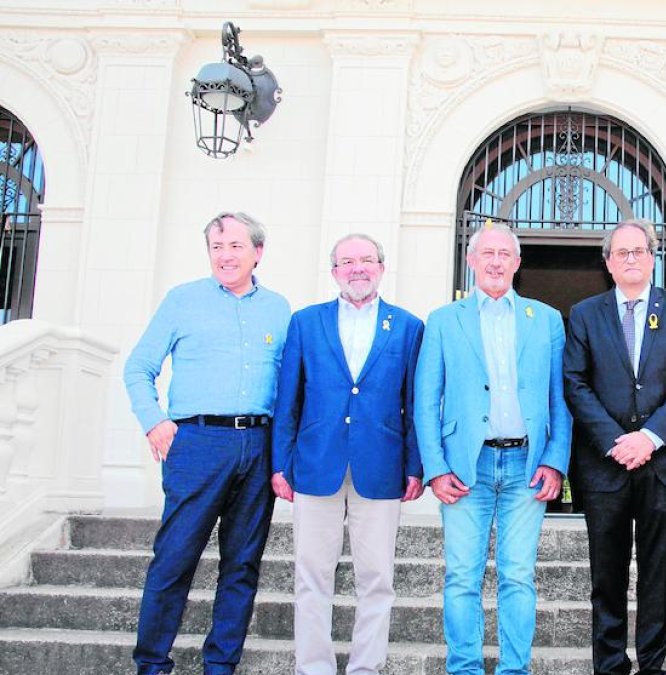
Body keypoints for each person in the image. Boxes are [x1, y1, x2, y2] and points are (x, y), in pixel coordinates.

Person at [124, 212, 292, 675]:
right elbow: (138, 368)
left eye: (235, 246)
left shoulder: (278, 309)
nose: (225, 256)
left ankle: (221, 665)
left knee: (242, 566)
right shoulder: (183, 301)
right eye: (217, 247)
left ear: (258, 252)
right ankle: (152, 663)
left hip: (258, 446)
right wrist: (154, 420)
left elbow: (287, 383)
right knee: (174, 560)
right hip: (197, 444)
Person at [414, 222, 571, 675]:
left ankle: (513, 669)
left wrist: (555, 461)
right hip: (466, 464)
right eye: (488, 253)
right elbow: (427, 401)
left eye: (506, 254)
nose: (497, 262)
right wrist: (435, 467)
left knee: (518, 576)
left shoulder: (546, 320)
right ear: (472, 260)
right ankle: (463, 668)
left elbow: (559, 400)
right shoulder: (444, 320)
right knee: (462, 577)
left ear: (518, 264)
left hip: (527, 464)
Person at [271, 233, 425, 675]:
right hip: (315, 464)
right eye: (347, 262)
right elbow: (288, 401)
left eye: (366, 260)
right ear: (334, 271)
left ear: (381, 266)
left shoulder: (409, 326)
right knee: (311, 576)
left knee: (377, 579)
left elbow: (414, 403)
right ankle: (314, 667)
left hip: (380, 468)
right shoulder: (305, 322)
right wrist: (280, 464)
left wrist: (414, 466)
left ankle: (365, 667)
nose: (357, 268)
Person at [563, 219, 666, 675]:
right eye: (621, 252)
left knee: (657, 573)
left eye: (638, 251)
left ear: (652, 257)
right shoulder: (585, 313)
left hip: (664, 462)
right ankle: (609, 665)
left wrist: (649, 437)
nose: (630, 259)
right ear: (607, 261)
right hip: (605, 465)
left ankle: (652, 665)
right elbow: (575, 382)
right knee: (606, 575)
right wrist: (615, 440)